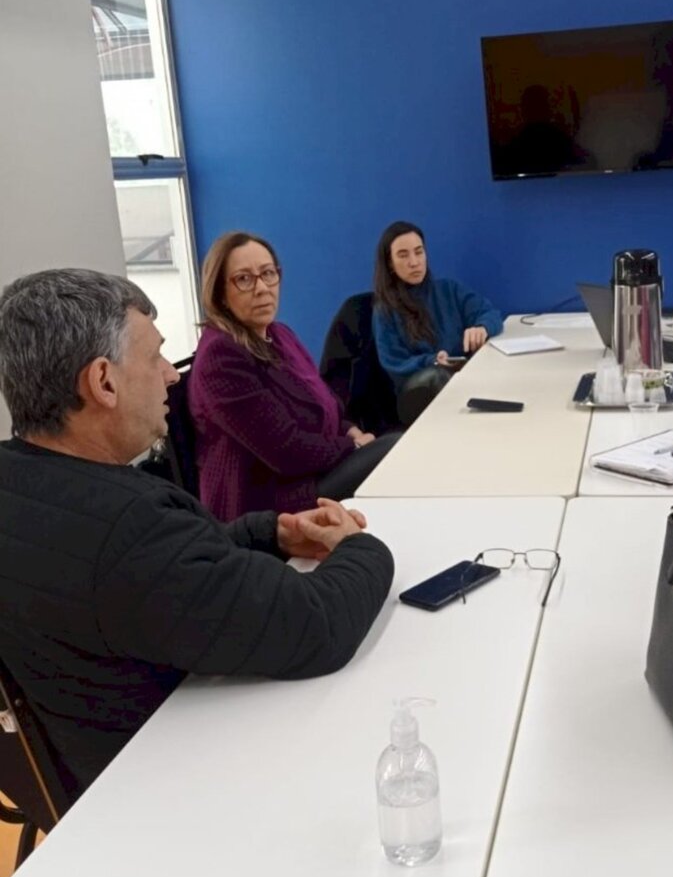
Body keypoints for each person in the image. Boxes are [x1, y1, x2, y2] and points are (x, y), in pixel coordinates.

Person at [0, 268, 395, 803]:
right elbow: (317, 625)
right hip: (168, 794)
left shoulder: (25, 485)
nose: (169, 374)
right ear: (103, 382)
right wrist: (358, 546)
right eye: (155, 356)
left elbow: (163, 579)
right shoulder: (130, 529)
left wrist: (268, 533)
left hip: (67, 775)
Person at [190, 232, 401, 521]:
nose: (262, 288)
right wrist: (353, 446)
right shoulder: (221, 357)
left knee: (394, 449)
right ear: (219, 293)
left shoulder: (280, 335)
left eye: (268, 273)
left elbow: (328, 406)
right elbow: (286, 451)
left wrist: (350, 430)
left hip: (313, 473)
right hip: (267, 503)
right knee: (392, 450)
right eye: (244, 279)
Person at [372, 221, 504, 426]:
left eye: (419, 252)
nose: (414, 262)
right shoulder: (385, 311)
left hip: (465, 381)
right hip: (419, 394)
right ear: (389, 263)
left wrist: (482, 327)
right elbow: (394, 363)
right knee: (437, 377)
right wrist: (432, 361)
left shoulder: (449, 290)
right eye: (403, 255)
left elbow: (490, 313)